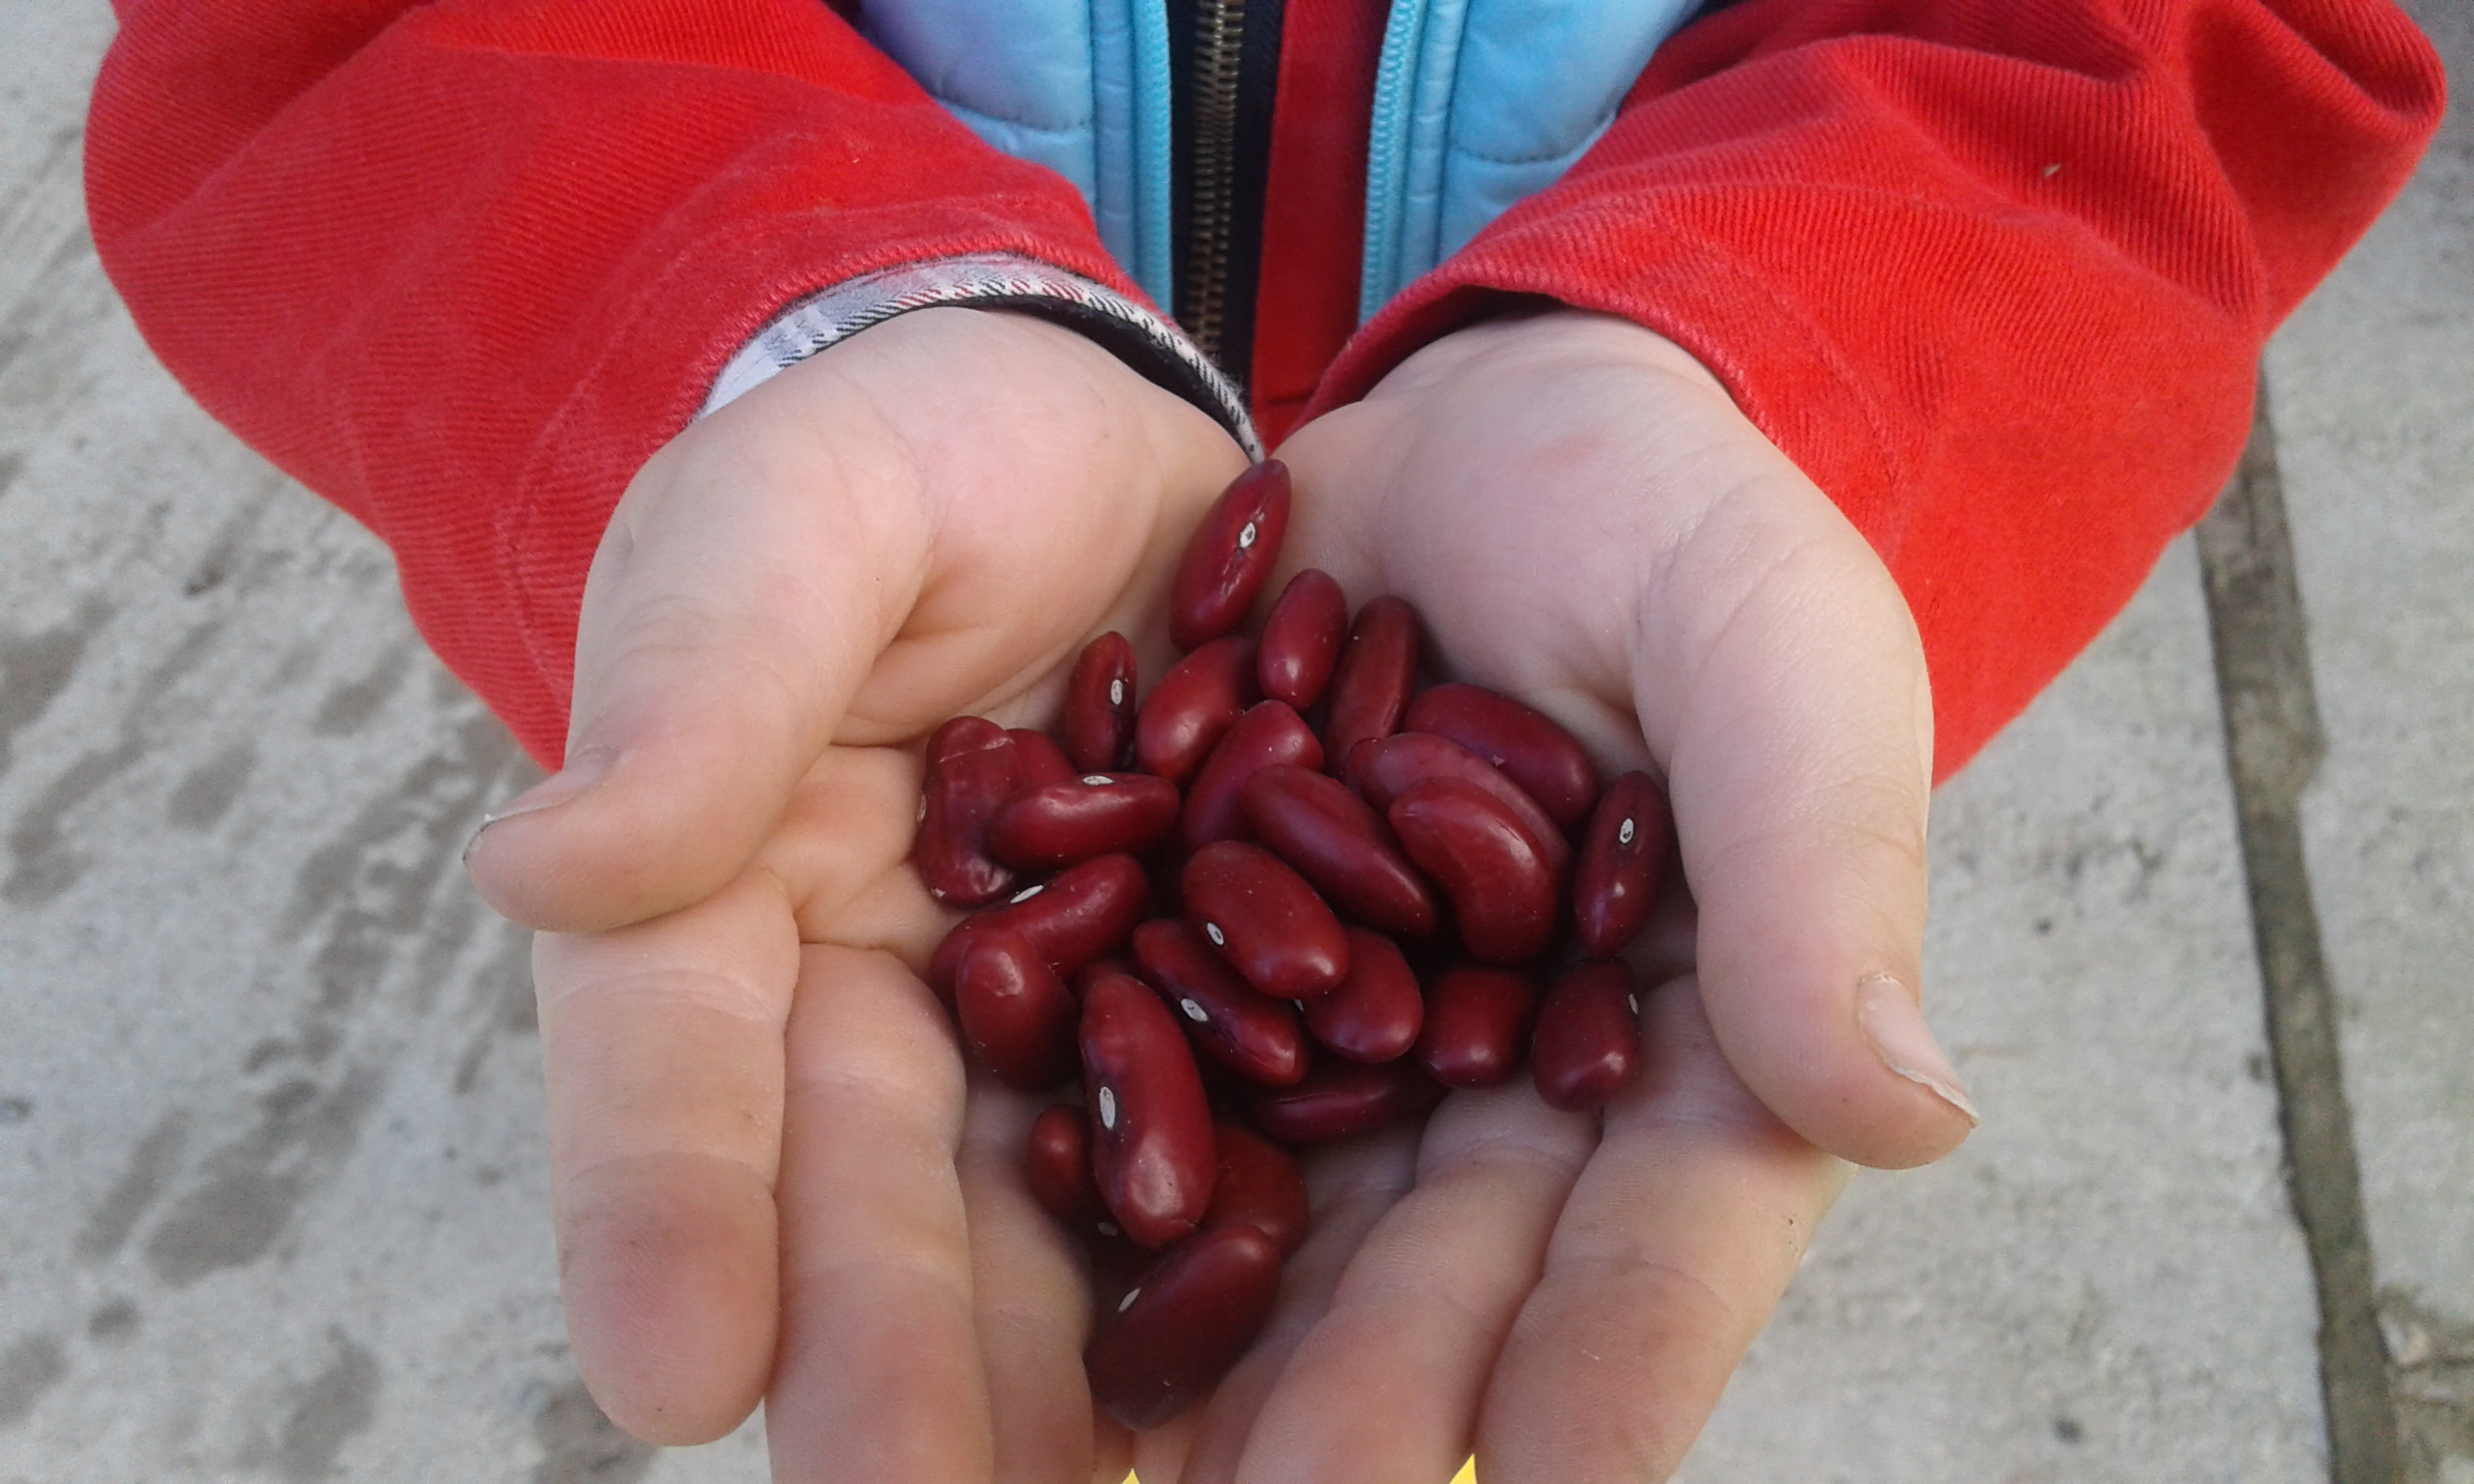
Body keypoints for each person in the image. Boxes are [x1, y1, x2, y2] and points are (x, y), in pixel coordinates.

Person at [85, 1, 2442, 1479]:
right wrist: (756, 324)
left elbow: (2178, 46)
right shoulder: (1088, 799)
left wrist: (1770, 359)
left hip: (1605, 472)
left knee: (1373, 1279)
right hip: (867, 612)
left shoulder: (1357, 808)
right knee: (814, 1035)